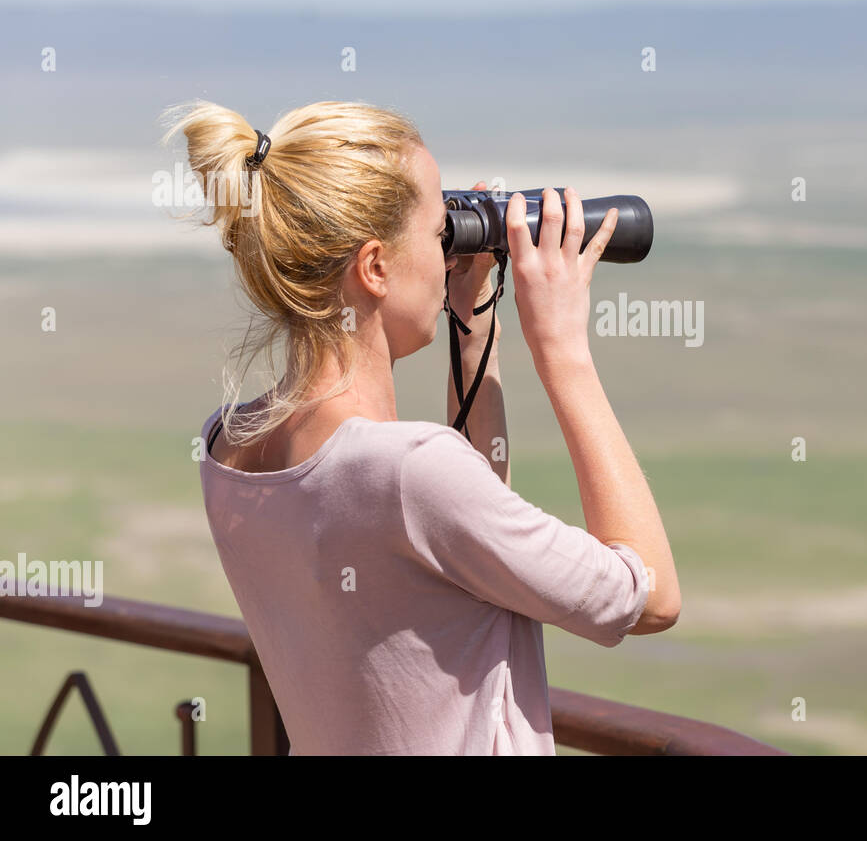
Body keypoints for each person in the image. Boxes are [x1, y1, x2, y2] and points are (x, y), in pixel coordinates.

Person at [164, 100, 680, 754]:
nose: (449, 255)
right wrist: (563, 349)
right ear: (374, 267)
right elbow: (651, 596)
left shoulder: (227, 447)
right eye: (441, 233)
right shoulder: (411, 470)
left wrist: (475, 325)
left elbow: (465, 553)